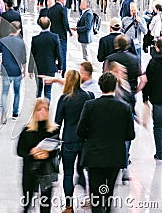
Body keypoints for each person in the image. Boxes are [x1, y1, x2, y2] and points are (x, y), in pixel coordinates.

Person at [77, 72, 135, 213]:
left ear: (100, 86)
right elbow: (130, 135)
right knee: (109, 192)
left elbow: (80, 131)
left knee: (96, 193)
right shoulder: (124, 107)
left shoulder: (90, 105)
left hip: (94, 156)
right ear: (115, 87)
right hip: (115, 156)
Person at [55, 70, 94, 213]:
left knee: (68, 173)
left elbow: (57, 122)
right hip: (85, 141)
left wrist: (54, 141)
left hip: (69, 141)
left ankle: (69, 206)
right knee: (84, 171)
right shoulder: (89, 96)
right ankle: (88, 198)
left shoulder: (64, 99)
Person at [17, 98, 59, 213]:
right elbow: (20, 151)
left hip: (46, 171)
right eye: (40, 109)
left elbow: (56, 150)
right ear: (35, 112)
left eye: (46, 109)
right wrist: (33, 154)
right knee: (27, 200)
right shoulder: (27, 131)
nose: (44, 112)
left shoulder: (53, 130)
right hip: (30, 170)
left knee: (46, 203)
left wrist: (47, 154)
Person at [0, 22, 26, 124]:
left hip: (6, 71)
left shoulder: (3, 41)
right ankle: (15, 112)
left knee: (4, 93)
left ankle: (3, 114)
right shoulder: (21, 42)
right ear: (19, 30)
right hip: (17, 71)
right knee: (17, 92)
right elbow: (24, 58)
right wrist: (24, 70)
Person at [28, 17, 62, 101]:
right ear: (50, 24)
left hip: (38, 67)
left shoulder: (35, 39)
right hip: (50, 66)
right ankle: (46, 108)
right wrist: (60, 66)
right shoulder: (55, 37)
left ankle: (38, 106)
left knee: (39, 89)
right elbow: (59, 53)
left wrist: (30, 69)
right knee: (48, 91)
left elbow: (32, 55)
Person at [142, 38, 162, 161]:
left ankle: (160, 152)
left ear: (156, 47)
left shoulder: (153, 63)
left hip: (157, 99)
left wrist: (145, 98)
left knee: (158, 126)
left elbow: (147, 82)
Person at [47, 0, 72, 77]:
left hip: (53, 35)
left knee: (53, 54)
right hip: (62, 36)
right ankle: (63, 72)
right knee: (62, 54)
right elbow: (65, 22)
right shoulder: (62, 9)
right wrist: (70, 32)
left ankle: (53, 71)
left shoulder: (50, 9)